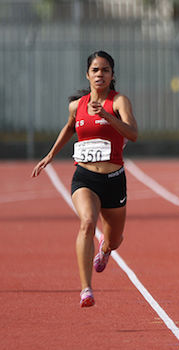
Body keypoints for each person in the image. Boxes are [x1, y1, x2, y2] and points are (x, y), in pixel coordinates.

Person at [31, 51, 138, 307]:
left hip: (114, 179)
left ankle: (105, 249)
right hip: (84, 177)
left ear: (112, 76)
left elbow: (133, 134)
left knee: (115, 240)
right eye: (95, 70)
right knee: (87, 222)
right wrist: (50, 154)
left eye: (105, 70)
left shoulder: (119, 101)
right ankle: (86, 289)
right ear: (87, 74)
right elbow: (70, 126)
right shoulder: (76, 105)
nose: (100, 74)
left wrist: (108, 116)